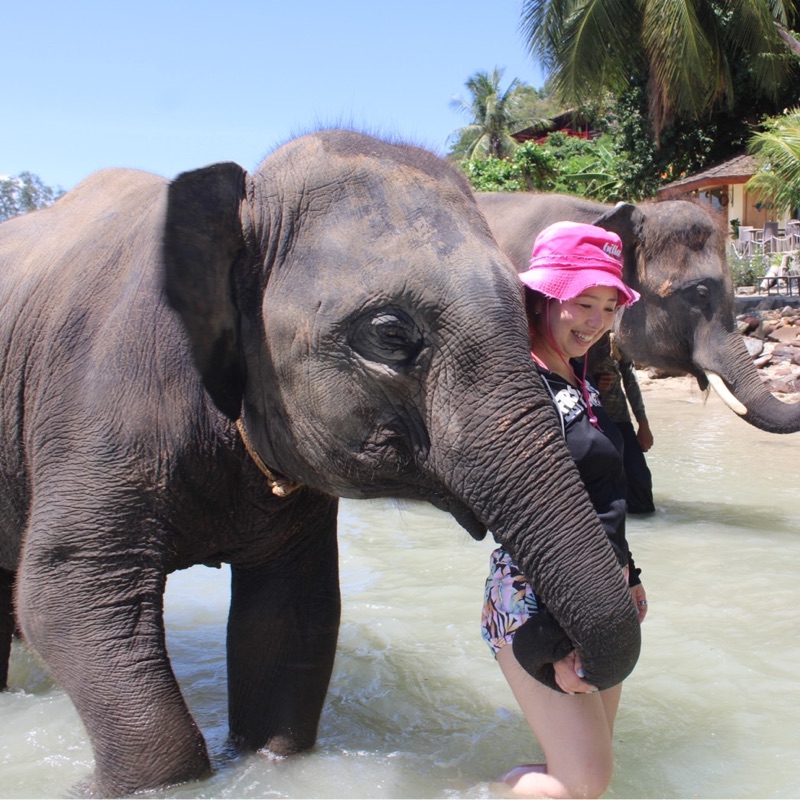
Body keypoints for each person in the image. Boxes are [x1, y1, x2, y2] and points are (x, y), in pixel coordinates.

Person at [481, 221, 648, 798]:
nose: (596, 320)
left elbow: (601, 498)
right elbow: (525, 509)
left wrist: (629, 577)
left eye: (608, 305)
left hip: (598, 594)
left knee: (580, 769)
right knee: (583, 783)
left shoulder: (578, 379)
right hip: (539, 597)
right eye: (582, 302)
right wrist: (550, 640)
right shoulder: (520, 386)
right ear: (546, 297)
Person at [587, 331, 656, 515]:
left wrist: (643, 423)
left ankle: (642, 523)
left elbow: (630, 380)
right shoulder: (577, 336)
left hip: (620, 419)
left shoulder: (615, 340)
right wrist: (593, 383)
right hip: (587, 420)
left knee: (639, 478)